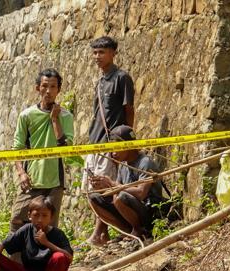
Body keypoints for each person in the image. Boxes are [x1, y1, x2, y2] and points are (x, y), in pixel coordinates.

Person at [84, 36, 136, 246]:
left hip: (110, 141)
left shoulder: (122, 78)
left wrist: (126, 139)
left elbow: (128, 110)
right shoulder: (100, 81)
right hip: (94, 140)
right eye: (95, 52)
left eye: (102, 52)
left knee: (104, 186)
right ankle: (101, 231)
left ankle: (101, 232)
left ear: (113, 53)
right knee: (91, 186)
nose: (97, 56)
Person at [12, 68, 73, 231]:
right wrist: (21, 173)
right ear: (37, 88)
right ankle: (17, 257)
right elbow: (17, 148)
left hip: (55, 182)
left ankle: (48, 257)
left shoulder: (65, 116)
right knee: (17, 220)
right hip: (32, 180)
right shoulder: (26, 115)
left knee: (49, 226)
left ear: (59, 90)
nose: (48, 91)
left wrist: (54, 120)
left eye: (53, 87)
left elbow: (65, 148)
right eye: (45, 86)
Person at [87, 125, 163, 242]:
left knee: (120, 197)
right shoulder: (123, 165)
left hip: (149, 212)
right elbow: (116, 189)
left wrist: (112, 184)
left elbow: (141, 193)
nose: (113, 153)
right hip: (130, 208)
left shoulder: (145, 162)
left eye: (116, 148)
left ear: (128, 146)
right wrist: (102, 187)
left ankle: (140, 230)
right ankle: (128, 231)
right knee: (94, 198)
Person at [0, 196, 73, 271]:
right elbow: (2, 244)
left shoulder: (58, 234)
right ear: (29, 216)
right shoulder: (26, 230)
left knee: (59, 256)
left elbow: (69, 257)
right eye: (36, 215)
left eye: (44, 216)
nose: (40, 219)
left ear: (51, 217)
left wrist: (47, 243)